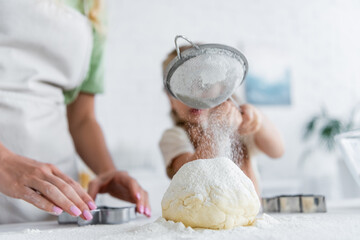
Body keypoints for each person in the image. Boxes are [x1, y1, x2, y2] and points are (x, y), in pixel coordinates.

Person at [0, 0, 150, 224]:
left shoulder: (93, 7)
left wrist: (107, 171)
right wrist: (4, 160)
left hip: (57, 193)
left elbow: (82, 119)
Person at [159, 47, 285, 195]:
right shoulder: (174, 137)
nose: (195, 96)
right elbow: (191, 178)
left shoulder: (237, 124)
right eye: (183, 89)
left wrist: (258, 119)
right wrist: (217, 131)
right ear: (170, 99)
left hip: (249, 215)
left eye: (203, 85)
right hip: (203, 218)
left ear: (222, 89)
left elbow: (277, 151)